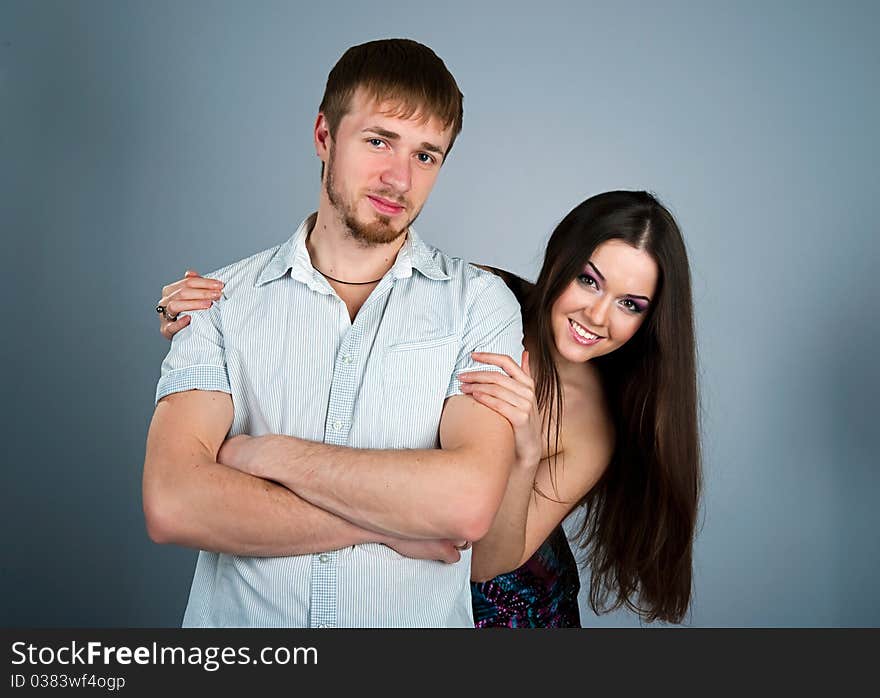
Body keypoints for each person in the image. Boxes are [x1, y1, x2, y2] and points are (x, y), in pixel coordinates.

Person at [158, 190, 701, 627]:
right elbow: (341, 306)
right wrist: (213, 309)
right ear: (560, 261)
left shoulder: (592, 426)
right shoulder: (482, 300)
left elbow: (487, 563)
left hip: (505, 611)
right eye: (589, 280)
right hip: (394, 580)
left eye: (630, 305)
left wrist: (525, 456)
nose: (599, 315)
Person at [143, 38, 524, 628]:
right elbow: (174, 502)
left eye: (427, 156)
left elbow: (466, 505)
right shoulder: (215, 300)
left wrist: (263, 455)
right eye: (379, 141)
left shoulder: (478, 303)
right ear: (325, 137)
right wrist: (392, 525)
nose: (399, 179)